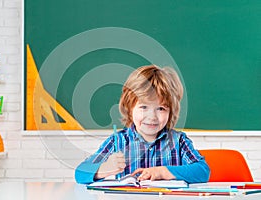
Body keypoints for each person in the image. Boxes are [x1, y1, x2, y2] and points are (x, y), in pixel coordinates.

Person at [75, 65, 210, 184]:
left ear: (170, 112)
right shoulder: (118, 141)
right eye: (144, 107)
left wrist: (163, 172)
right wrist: (103, 169)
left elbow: (203, 171)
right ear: (130, 107)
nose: (152, 117)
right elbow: (80, 173)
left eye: (161, 109)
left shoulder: (178, 141)